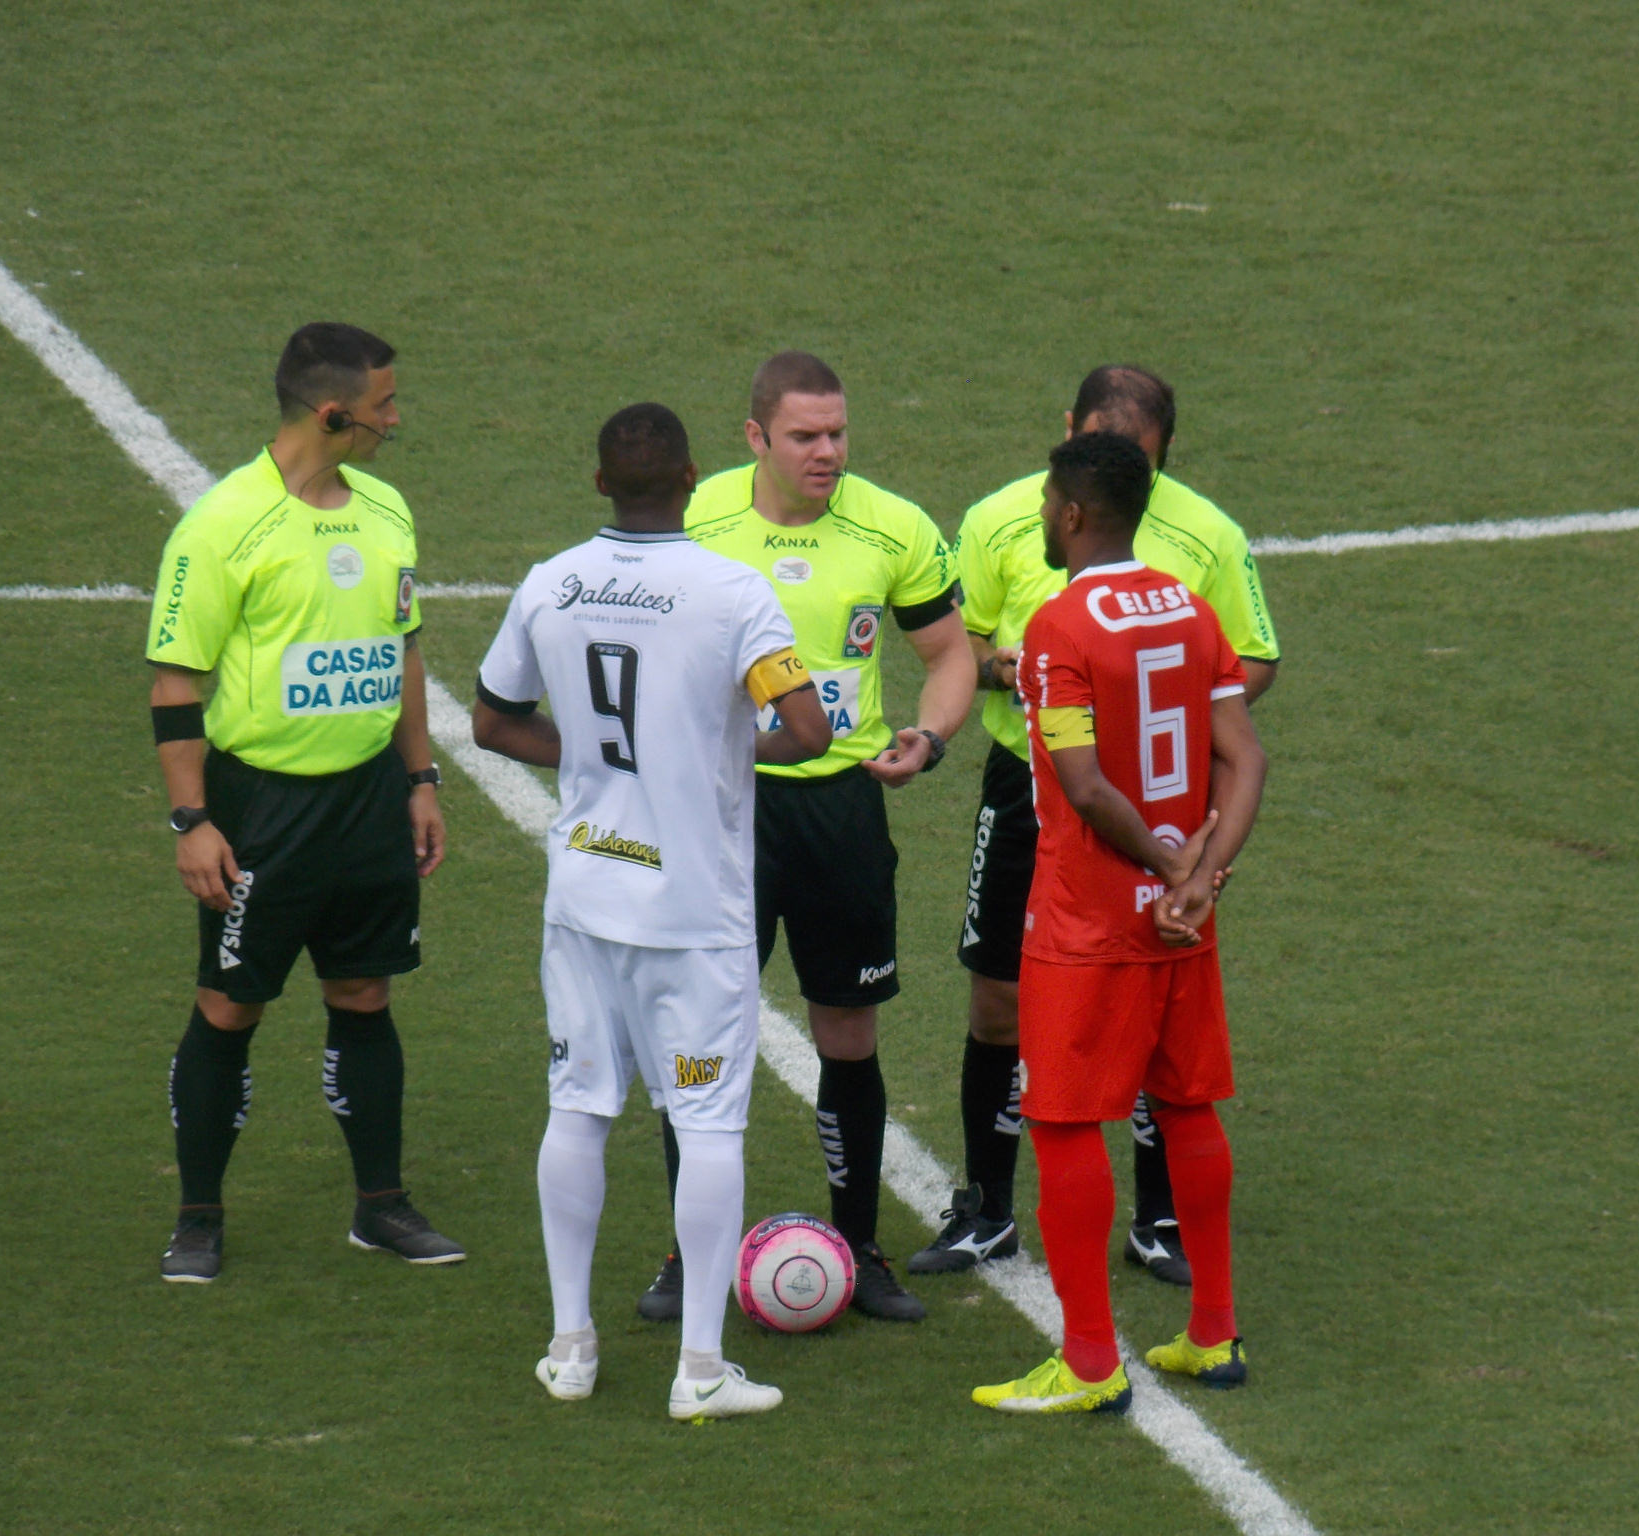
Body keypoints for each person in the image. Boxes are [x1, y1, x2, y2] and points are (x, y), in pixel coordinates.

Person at [472, 402, 830, 1420]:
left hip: (585, 893)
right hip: (692, 907)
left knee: (578, 1106)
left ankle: (571, 1347)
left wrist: (584, 757)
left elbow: (493, 721)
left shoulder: (549, 585)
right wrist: (713, 756)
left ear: (599, 484)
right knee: (708, 1122)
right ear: (691, 479)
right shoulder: (731, 592)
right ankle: (700, 1371)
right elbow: (802, 731)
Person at [912, 366, 1279, 1285]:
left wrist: (1168, 848)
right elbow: (971, 646)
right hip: (1039, 794)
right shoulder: (1000, 523)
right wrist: (1193, 872)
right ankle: (989, 1209)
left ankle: (1147, 1236)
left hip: (1141, 811)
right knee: (998, 996)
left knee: (1109, 1067)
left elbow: (1245, 665)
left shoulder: (1198, 548)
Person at [635, 350, 976, 1325]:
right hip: (721, 809)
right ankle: (685, 1252)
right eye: (803, 436)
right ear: (754, 438)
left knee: (848, 1030)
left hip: (838, 809)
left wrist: (932, 735)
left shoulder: (891, 526)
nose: (825, 452)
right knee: (702, 1034)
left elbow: (947, 652)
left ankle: (861, 1248)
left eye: (836, 434)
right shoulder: (694, 524)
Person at [148, 321, 458, 1284]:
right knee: (230, 1005)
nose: (395, 421)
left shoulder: (387, 511)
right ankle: (198, 1215)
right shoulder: (220, 526)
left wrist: (418, 780)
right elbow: (174, 683)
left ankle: (380, 1205)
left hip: (367, 800)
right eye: (383, 407)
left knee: (365, 989)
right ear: (333, 414)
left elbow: (403, 652)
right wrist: (193, 822)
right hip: (262, 808)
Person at [973, 433, 1266, 1414]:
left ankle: (1090, 1363)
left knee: (1059, 1123)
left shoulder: (1058, 627)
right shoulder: (1187, 610)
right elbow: (1245, 760)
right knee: (1186, 1106)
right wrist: (1202, 874)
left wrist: (1166, 862)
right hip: (1183, 924)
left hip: (1086, 924)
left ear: (1067, 514)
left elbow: (1085, 786)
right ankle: (1213, 1333)